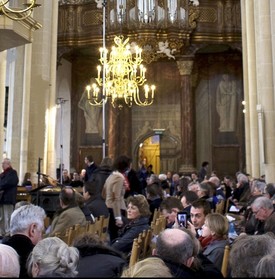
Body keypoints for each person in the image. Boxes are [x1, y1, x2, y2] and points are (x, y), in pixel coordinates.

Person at [2, 204, 46, 278]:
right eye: (41, 232)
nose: (42, 238)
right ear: (33, 229)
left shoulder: (2, 252)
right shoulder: (39, 261)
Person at [102, 155, 130, 242]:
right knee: (116, 237)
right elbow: (116, 197)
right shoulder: (119, 178)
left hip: (108, 207)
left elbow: (104, 193)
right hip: (116, 209)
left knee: (112, 236)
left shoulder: (111, 176)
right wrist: (118, 217)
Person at [0, 158, 19, 238]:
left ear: (8, 164)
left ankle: (8, 233)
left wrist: (1, 186)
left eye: (4, 163)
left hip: (8, 198)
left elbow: (8, 183)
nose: (2, 165)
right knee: (1, 217)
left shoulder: (12, 173)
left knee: (8, 216)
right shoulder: (2, 174)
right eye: (2, 163)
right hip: (2, 199)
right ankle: (2, 232)